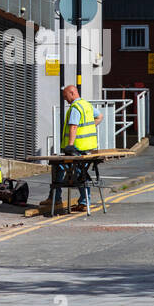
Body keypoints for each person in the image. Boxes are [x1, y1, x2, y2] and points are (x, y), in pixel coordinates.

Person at [41, 84, 102, 215]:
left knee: (59, 169)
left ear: (72, 93)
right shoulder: (86, 105)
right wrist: (88, 128)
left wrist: (69, 145)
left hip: (77, 148)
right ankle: (84, 202)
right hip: (88, 147)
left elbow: (73, 127)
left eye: (66, 96)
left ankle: (56, 198)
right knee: (81, 173)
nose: (65, 99)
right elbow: (99, 117)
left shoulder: (75, 107)